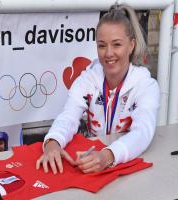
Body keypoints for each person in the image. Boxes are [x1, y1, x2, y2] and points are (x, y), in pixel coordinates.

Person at [36, 4, 160, 174]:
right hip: (91, 165)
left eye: (116, 45)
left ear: (131, 45)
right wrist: (52, 143)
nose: (108, 53)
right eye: (102, 45)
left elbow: (143, 132)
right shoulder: (87, 80)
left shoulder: (146, 85)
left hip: (127, 166)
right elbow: (68, 117)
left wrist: (108, 155)